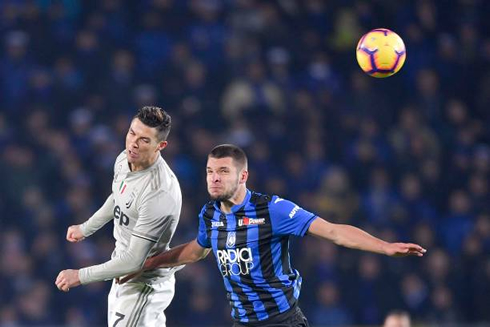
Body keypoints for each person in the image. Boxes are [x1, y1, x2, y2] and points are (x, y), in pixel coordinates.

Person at [120, 144, 426, 327]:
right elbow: (196, 251)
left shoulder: (273, 209)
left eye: (223, 171)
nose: (214, 178)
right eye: (210, 171)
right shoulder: (209, 214)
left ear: (243, 176)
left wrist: (385, 247)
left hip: (281, 321)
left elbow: (333, 232)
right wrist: (147, 263)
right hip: (242, 322)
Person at [55, 106, 183, 327]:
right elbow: (118, 195)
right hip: (123, 273)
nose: (133, 143)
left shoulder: (159, 193)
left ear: (160, 146)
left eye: (144, 140)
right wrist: (86, 228)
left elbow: (134, 261)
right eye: (132, 133)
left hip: (143, 284)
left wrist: (80, 275)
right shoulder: (125, 159)